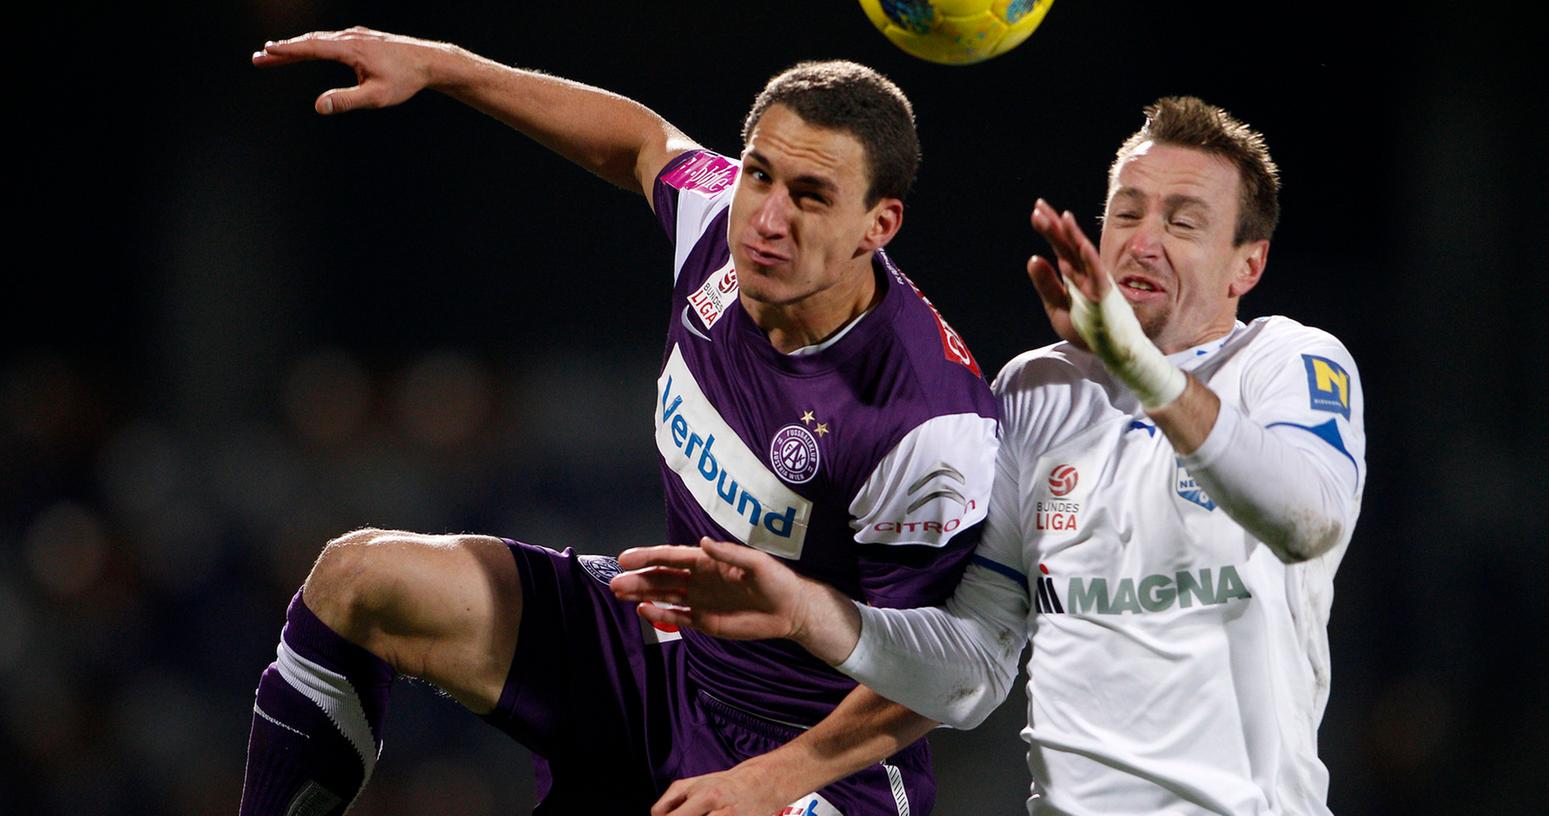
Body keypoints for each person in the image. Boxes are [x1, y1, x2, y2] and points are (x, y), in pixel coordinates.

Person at [238, 26, 1000, 816]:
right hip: (664, 659)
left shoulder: (926, 425)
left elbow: (946, 676)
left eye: (809, 197)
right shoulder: (718, 227)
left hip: (814, 761)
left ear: (878, 227)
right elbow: (639, 141)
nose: (767, 219)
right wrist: (443, 68)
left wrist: (767, 781)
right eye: (758, 175)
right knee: (362, 578)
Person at [613, 96, 1368, 814]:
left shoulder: (1286, 363)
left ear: (1247, 266)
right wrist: (811, 612)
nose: (1142, 240)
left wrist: (1140, 366)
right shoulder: (1037, 391)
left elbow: (1306, 521)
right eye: (1126, 212)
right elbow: (971, 673)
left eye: (1183, 222)